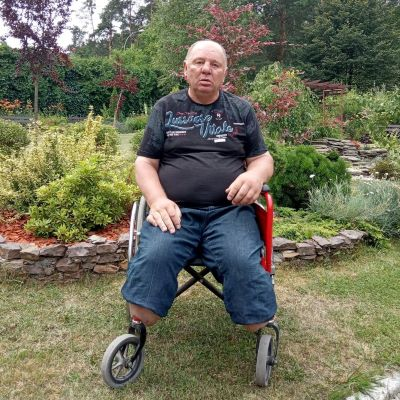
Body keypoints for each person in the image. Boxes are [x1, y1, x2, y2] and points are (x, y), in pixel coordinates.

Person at [122, 39, 277, 332]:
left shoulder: (241, 110)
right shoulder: (166, 108)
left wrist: (255, 176)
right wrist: (157, 201)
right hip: (175, 212)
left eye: (215, 64)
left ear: (224, 73)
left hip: (230, 212)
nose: (206, 69)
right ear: (186, 69)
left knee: (249, 297)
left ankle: (255, 315)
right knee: (146, 300)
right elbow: (144, 163)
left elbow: (262, 159)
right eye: (199, 62)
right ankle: (143, 310)